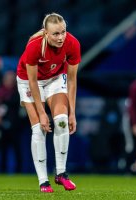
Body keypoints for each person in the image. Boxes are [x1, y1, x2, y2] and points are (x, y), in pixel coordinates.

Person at [16, 13, 81, 192]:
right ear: (45, 33)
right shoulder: (34, 47)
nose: (61, 37)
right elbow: (32, 81)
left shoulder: (72, 43)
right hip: (30, 82)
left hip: (54, 78)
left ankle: (61, 174)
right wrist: (42, 112)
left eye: (63, 32)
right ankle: (43, 181)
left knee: (61, 120)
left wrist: (72, 112)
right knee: (39, 128)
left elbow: (72, 80)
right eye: (55, 34)